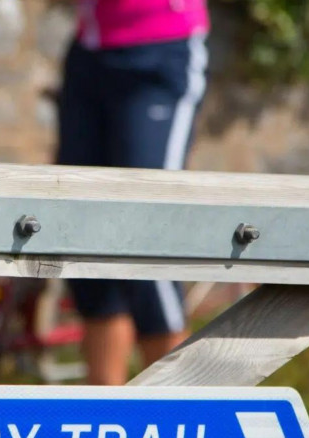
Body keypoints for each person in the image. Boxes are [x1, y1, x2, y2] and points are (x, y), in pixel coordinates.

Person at [58, 0, 209, 385]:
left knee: (146, 239)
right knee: (85, 240)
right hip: (91, 51)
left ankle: (180, 416)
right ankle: (104, 418)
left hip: (161, 45)